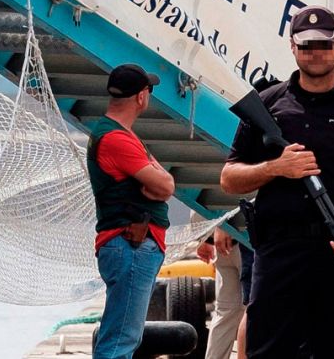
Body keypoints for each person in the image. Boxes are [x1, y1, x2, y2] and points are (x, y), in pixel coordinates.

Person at [220, 5, 334, 359]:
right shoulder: (269, 103)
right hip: (280, 252)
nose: (315, 53)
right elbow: (229, 178)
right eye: (306, 45)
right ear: (292, 47)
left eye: (324, 45)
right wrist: (277, 167)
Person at [87, 63, 174, 359]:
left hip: (131, 246)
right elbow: (165, 187)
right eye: (148, 90)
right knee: (121, 341)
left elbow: (162, 182)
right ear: (141, 97)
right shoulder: (117, 139)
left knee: (123, 336)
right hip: (131, 244)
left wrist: (156, 179)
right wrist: (155, 179)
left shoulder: (119, 135)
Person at [195, 225, 243, 359]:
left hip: (220, 241)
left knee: (225, 313)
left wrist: (204, 236)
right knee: (256, 310)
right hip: (245, 239)